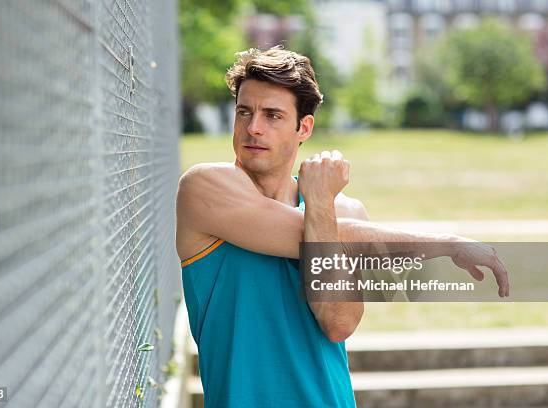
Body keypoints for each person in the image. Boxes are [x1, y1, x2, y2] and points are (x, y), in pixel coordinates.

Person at [176, 46, 509, 408]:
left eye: (273, 115)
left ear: (304, 127)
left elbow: (338, 323)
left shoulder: (345, 209)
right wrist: (446, 243)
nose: (253, 127)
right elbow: (314, 231)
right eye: (244, 112)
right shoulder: (205, 189)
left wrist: (319, 204)